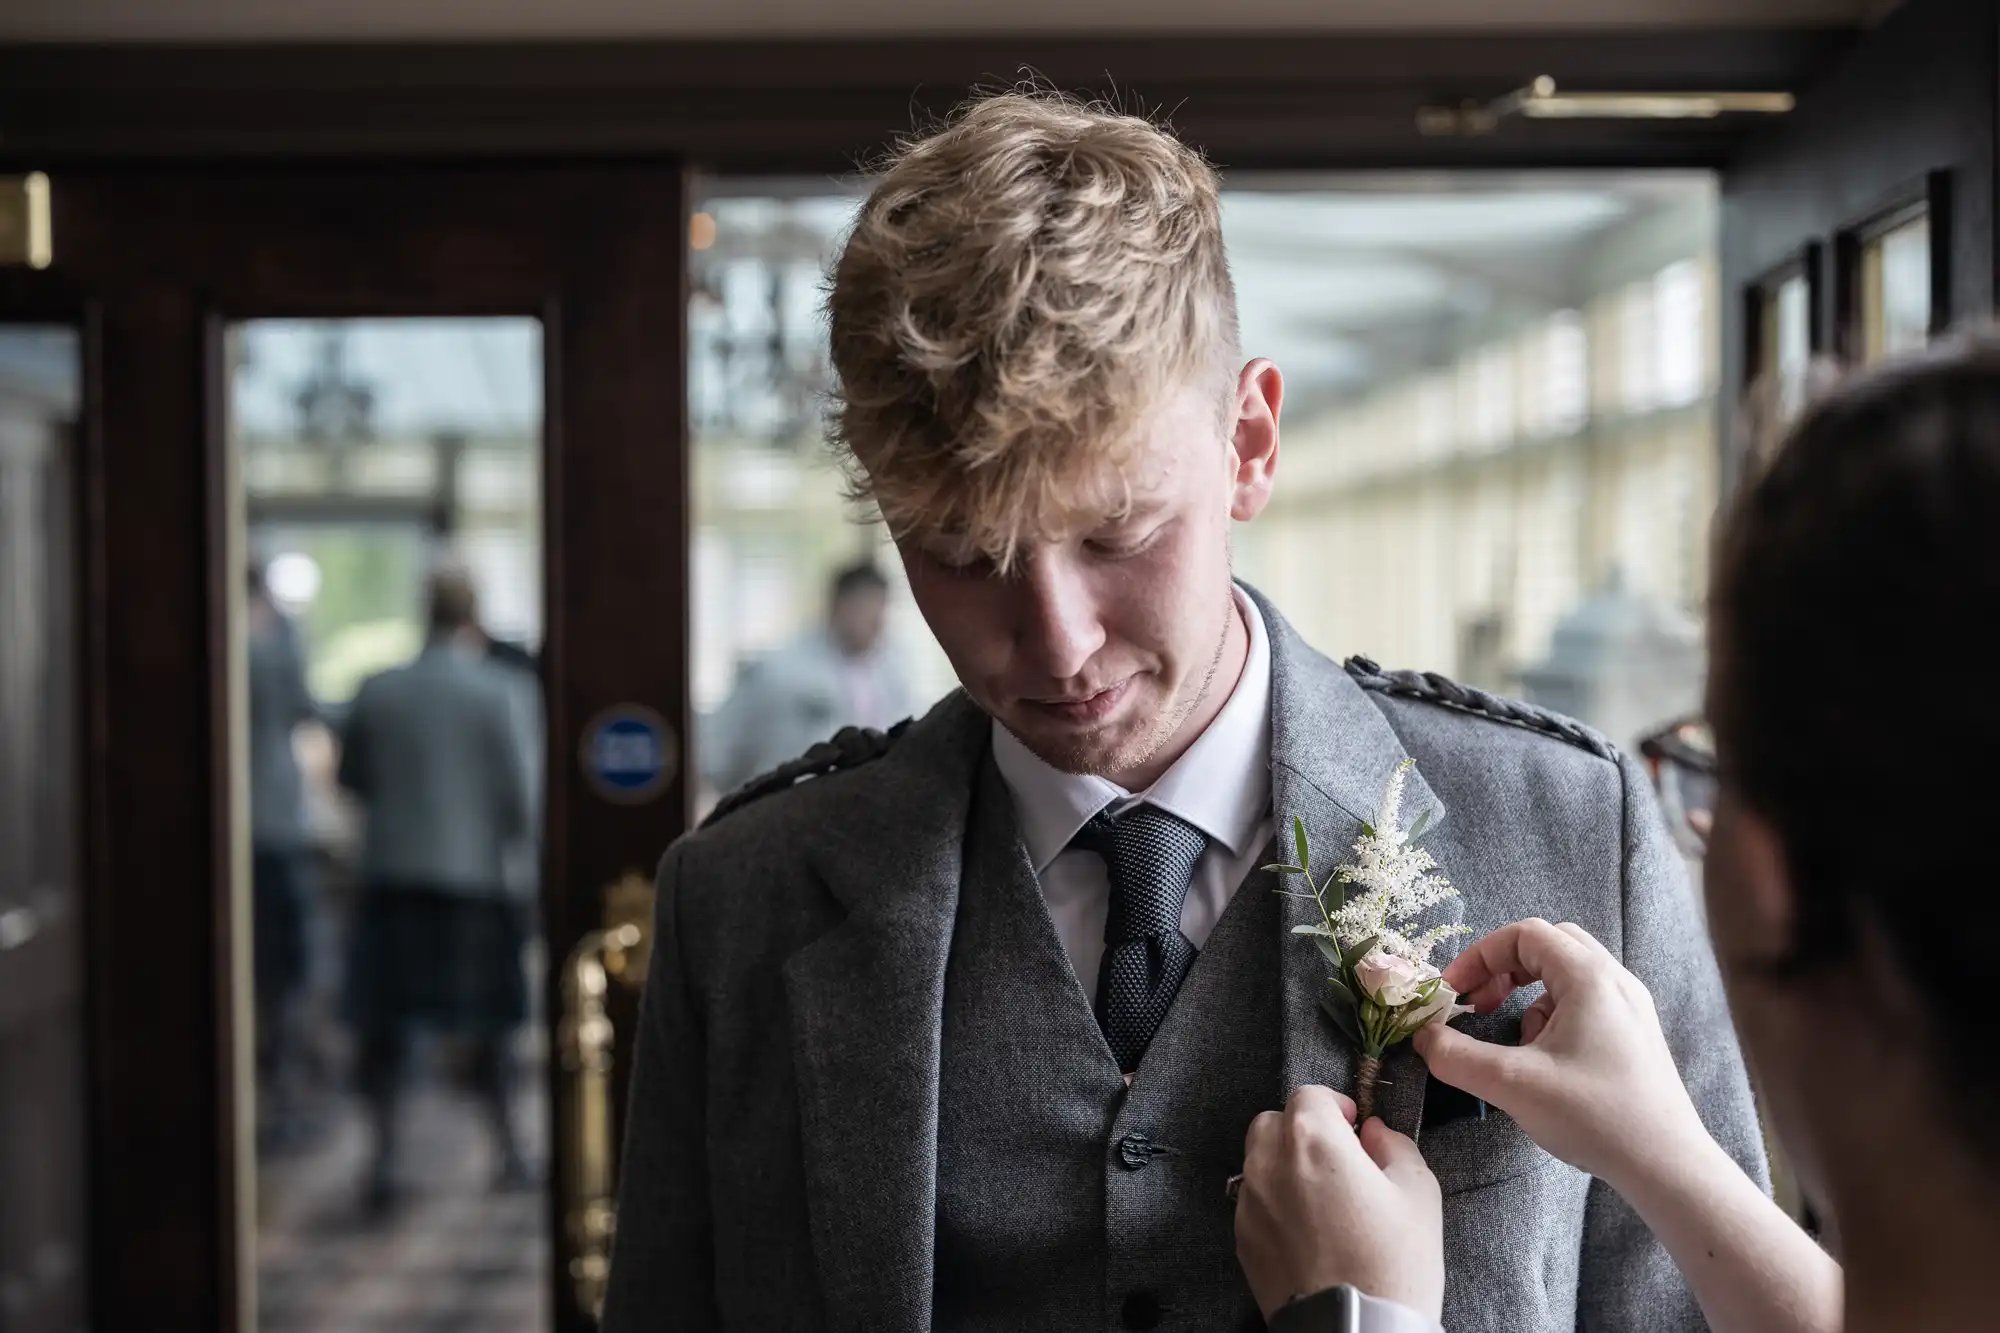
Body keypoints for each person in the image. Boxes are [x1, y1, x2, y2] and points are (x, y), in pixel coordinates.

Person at [600, 92, 1764, 1333]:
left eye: (1118, 532)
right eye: (960, 551)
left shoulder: (1572, 828)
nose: (1056, 642)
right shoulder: (740, 901)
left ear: (1249, 442)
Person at [1238, 336, 2000, 1333]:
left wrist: (1360, 1320)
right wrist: (1666, 1155)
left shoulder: (1571, 800)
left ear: (1768, 870)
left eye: (1706, 754)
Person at [336, 562, 534, 1214]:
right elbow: (519, 798)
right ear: (474, 615)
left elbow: (352, 779)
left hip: (392, 877)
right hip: (474, 881)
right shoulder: (500, 691)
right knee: (492, 1030)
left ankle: (384, 1160)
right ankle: (508, 1151)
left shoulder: (378, 688)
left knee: (384, 1033)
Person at [699, 560, 913, 796]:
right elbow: (719, 754)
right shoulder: (778, 670)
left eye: (881, 610)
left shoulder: (892, 673)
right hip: (780, 810)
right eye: (865, 608)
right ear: (838, 604)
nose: (876, 622)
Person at [246, 562, 319, 1150]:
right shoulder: (268, 650)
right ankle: (285, 1107)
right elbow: (305, 704)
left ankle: (277, 1103)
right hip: (273, 831)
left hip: (250, 831)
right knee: (285, 981)